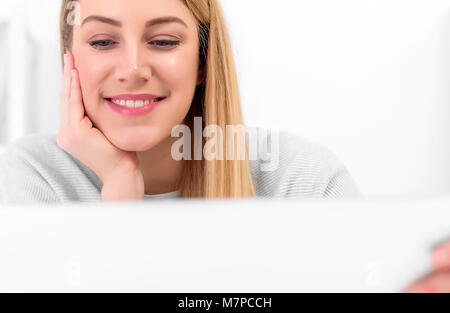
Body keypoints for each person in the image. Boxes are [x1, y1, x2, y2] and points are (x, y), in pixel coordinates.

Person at [0, 0, 360, 203]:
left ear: (203, 61)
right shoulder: (29, 180)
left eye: (163, 41)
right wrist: (121, 188)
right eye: (102, 42)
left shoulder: (303, 183)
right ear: (70, 57)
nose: (133, 69)